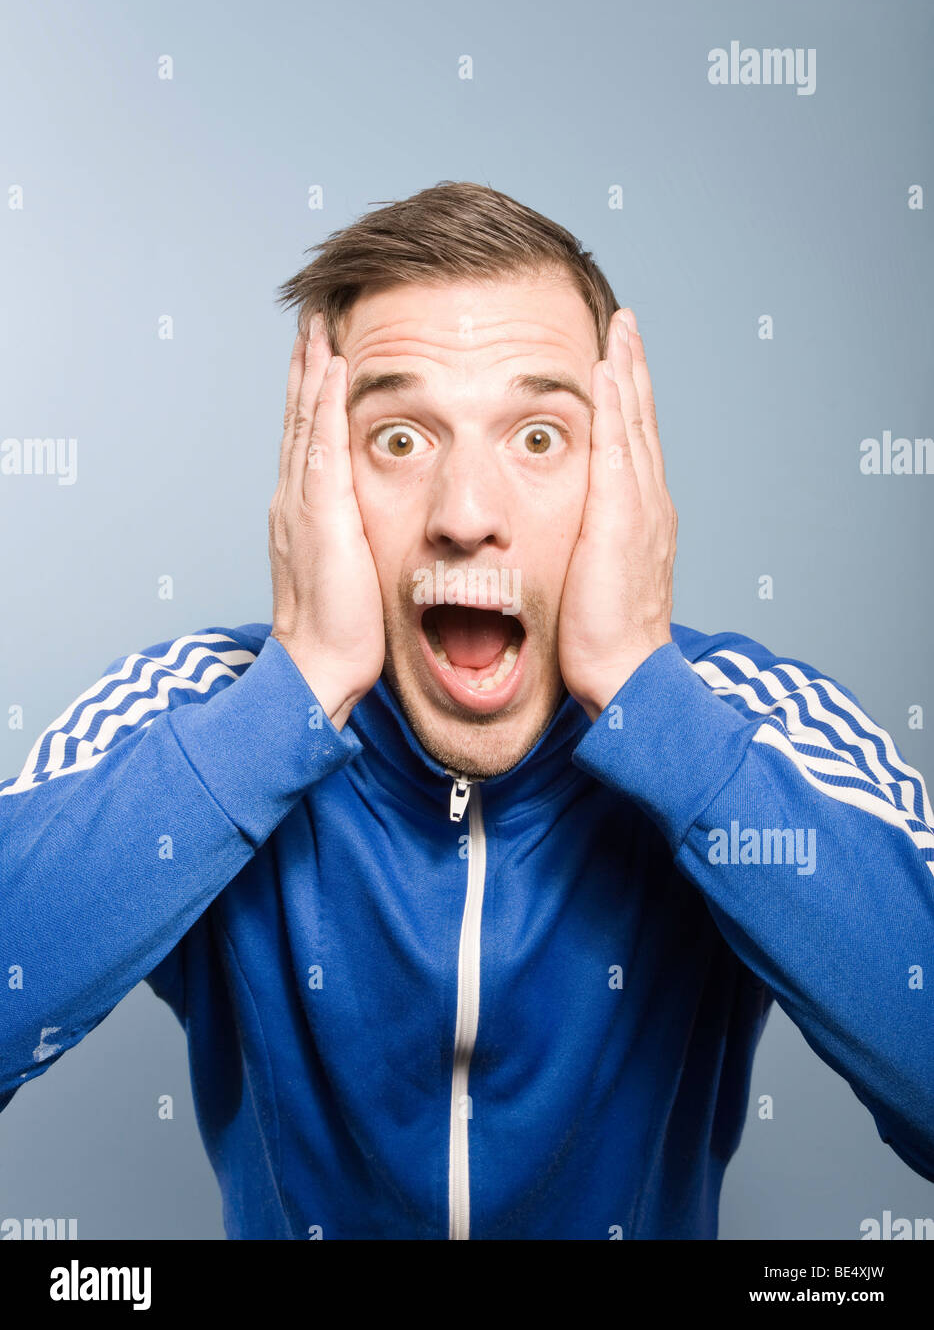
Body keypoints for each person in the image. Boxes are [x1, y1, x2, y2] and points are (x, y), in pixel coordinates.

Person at [1, 181, 932, 1240]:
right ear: (316, 482)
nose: (466, 516)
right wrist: (292, 695)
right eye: (398, 440)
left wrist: (647, 693)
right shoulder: (204, 713)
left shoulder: (743, 726)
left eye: (538, 438)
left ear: (621, 477)